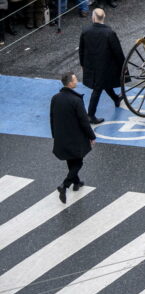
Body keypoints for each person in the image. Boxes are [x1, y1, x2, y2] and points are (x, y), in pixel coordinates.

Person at [50, 72, 94, 203]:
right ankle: (65, 185)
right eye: (75, 79)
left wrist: (55, 135)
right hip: (75, 137)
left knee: (71, 160)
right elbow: (84, 121)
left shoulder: (55, 98)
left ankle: (77, 182)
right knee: (78, 162)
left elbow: (52, 118)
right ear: (70, 83)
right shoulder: (76, 100)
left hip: (61, 136)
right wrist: (91, 136)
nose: (77, 81)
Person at [78, 8, 125, 124]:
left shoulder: (86, 31)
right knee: (98, 89)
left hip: (90, 64)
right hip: (105, 66)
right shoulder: (109, 33)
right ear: (104, 17)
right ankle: (90, 115)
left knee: (101, 84)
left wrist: (82, 64)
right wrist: (123, 65)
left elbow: (81, 50)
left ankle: (116, 98)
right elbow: (117, 51)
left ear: (93, 17)